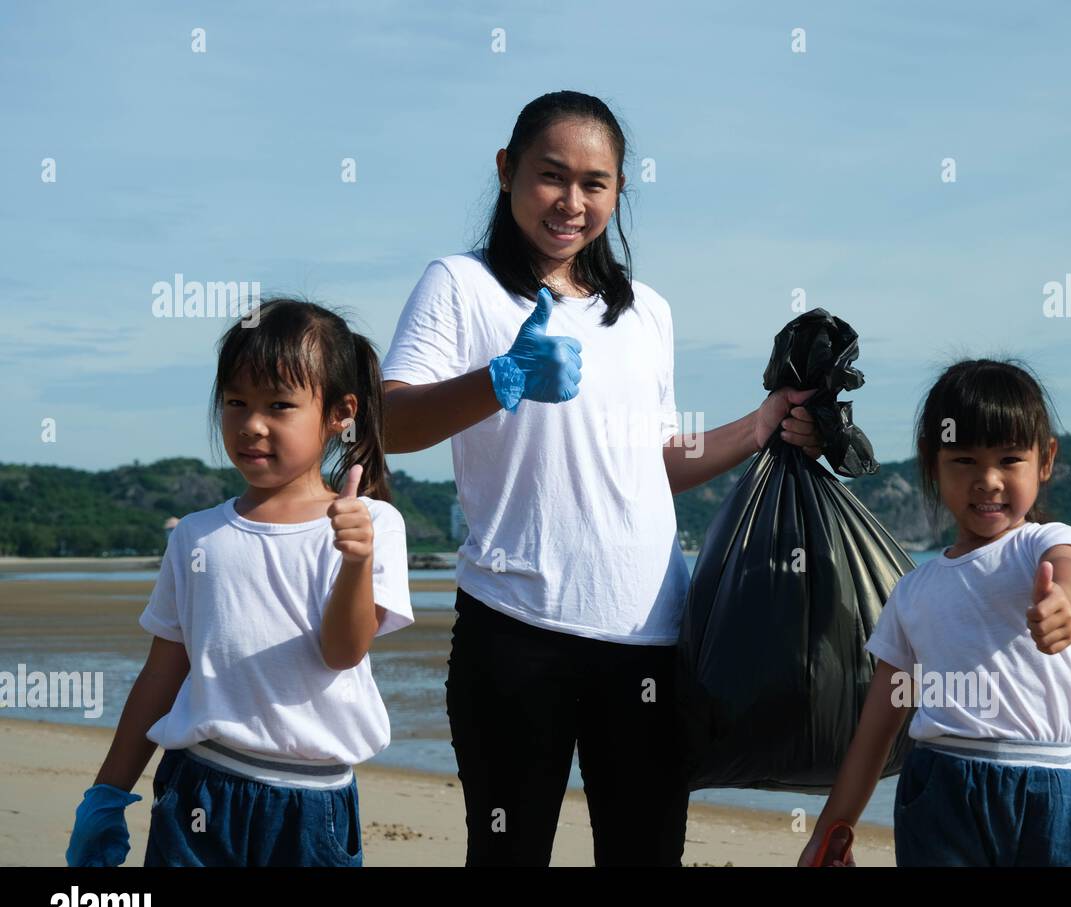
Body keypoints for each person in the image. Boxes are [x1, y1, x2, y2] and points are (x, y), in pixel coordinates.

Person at [382, 90, 827, 866]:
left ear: (620, 191)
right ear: (506, 171)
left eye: (596, 183)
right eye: (552, 176)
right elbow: (391, 424)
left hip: (651, 637)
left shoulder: (646, 311)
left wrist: (761, 426)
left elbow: (650, 460)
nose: (572, 201)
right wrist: (503, 378)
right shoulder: (460, 284)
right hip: (514, 627)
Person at [65, 299, 414, 867]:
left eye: (280, 405)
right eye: (236, 403)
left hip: (314, 807)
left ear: (339, 413)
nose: (252, 425)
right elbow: (162, 674)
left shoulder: (373, 524)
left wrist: (355, 560)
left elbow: (342, 651)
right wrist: (106, 792)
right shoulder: (196, 537)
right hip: (198, 789)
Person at [798, 358, 1071, 867]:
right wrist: (833, 828)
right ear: (931, 461)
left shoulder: (1042, 545)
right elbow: (876, 728)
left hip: (1052, 793)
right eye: (964, 460)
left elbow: (1068, 565)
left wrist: (1061, 604)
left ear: (1045, 460)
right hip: (940, 790)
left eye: (1010, 459)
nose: (988, 481)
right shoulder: (912, 592)